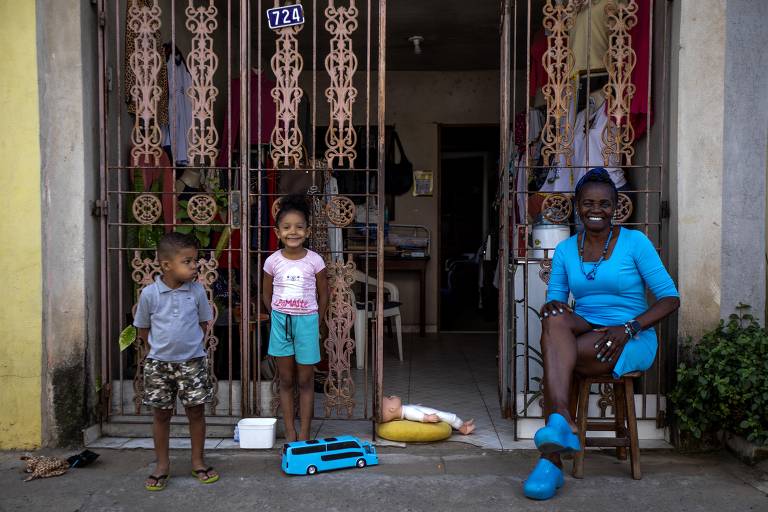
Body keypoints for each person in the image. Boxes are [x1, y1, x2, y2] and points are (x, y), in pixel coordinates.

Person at [523, 168, 680, 500]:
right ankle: (562, 419)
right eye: (588, 203)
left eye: (604, 204)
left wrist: (629, 328)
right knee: (553, 319)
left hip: (629, 334)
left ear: (616, 206)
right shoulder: (566, 249)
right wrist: (556, 310)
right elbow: (555, 301)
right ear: (577, 205)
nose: (596, 210)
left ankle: (550, 460)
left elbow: (670, 298)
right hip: (584, 328)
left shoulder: (635, 242)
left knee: (557, 360)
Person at [133, 232, 218, 491]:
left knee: (196, 412)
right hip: (159, 364)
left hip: (192, 361)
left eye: (195, 261)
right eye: (188, 261)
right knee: (161, 415)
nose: (194, 266)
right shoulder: (150, 294)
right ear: (167, 264)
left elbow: (204, 324)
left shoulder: (197, 291)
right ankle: (162, 465)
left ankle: (197, 461)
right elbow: (143, 328)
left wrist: (189, 347)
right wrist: (159, 349)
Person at [262, 194, 329, 442]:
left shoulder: (315, 260)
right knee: (287, 379)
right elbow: (266, 293)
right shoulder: (272, 261)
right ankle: (290, 432)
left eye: (299, 227)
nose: (293, 232)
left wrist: (317, 321)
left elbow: (324, 294)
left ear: (308, 231)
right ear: (277, 232)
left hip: (307, 323)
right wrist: (276, 314)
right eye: (287, 227)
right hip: (281, 323)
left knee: (305, 380)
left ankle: (305, 433)